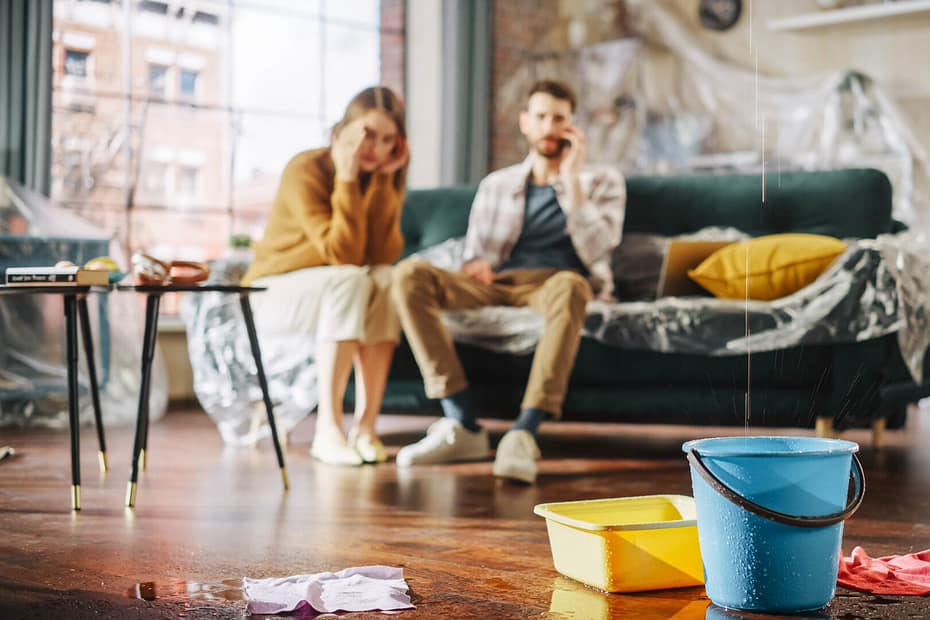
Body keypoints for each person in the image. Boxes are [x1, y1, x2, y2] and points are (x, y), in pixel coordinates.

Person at [391, 80, 626, 483]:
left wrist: (570, 182)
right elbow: (475, 254)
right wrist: (476, 265)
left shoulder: (601, 181)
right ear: (525, 123)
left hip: (558, 285)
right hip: (499, 283)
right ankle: (461, 422)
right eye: (541, 117)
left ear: (572, 126)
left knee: (572, 285)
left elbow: (600, 247)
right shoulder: (496, 184)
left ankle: (524, 432)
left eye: (559, 118)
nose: (549, 126)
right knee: (408, 274)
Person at [242, 86, 408, 467]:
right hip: (270, 293)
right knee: (350, 278)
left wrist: (384, 182)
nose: (375, 148)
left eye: (387, 140)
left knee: (386, 279)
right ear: (342, 132)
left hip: (332, 290)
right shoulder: (306, 169)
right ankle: (328, 430)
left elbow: (382, 256)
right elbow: (344, 255)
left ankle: (366, 427)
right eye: (367, 134)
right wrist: (347, 178)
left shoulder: (379, 176)